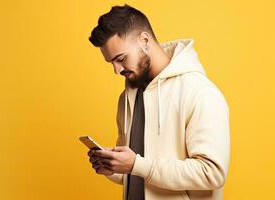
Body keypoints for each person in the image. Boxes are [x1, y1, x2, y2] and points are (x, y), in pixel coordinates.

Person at [86, 4, 230, 200]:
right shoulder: (127, 97)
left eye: (121, 58)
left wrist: (137, 164)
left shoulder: (200, 92)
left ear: (144, 40)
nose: (117, 70)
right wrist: (112, 167)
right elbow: (135, 172)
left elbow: (211, 173)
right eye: (111, 62)